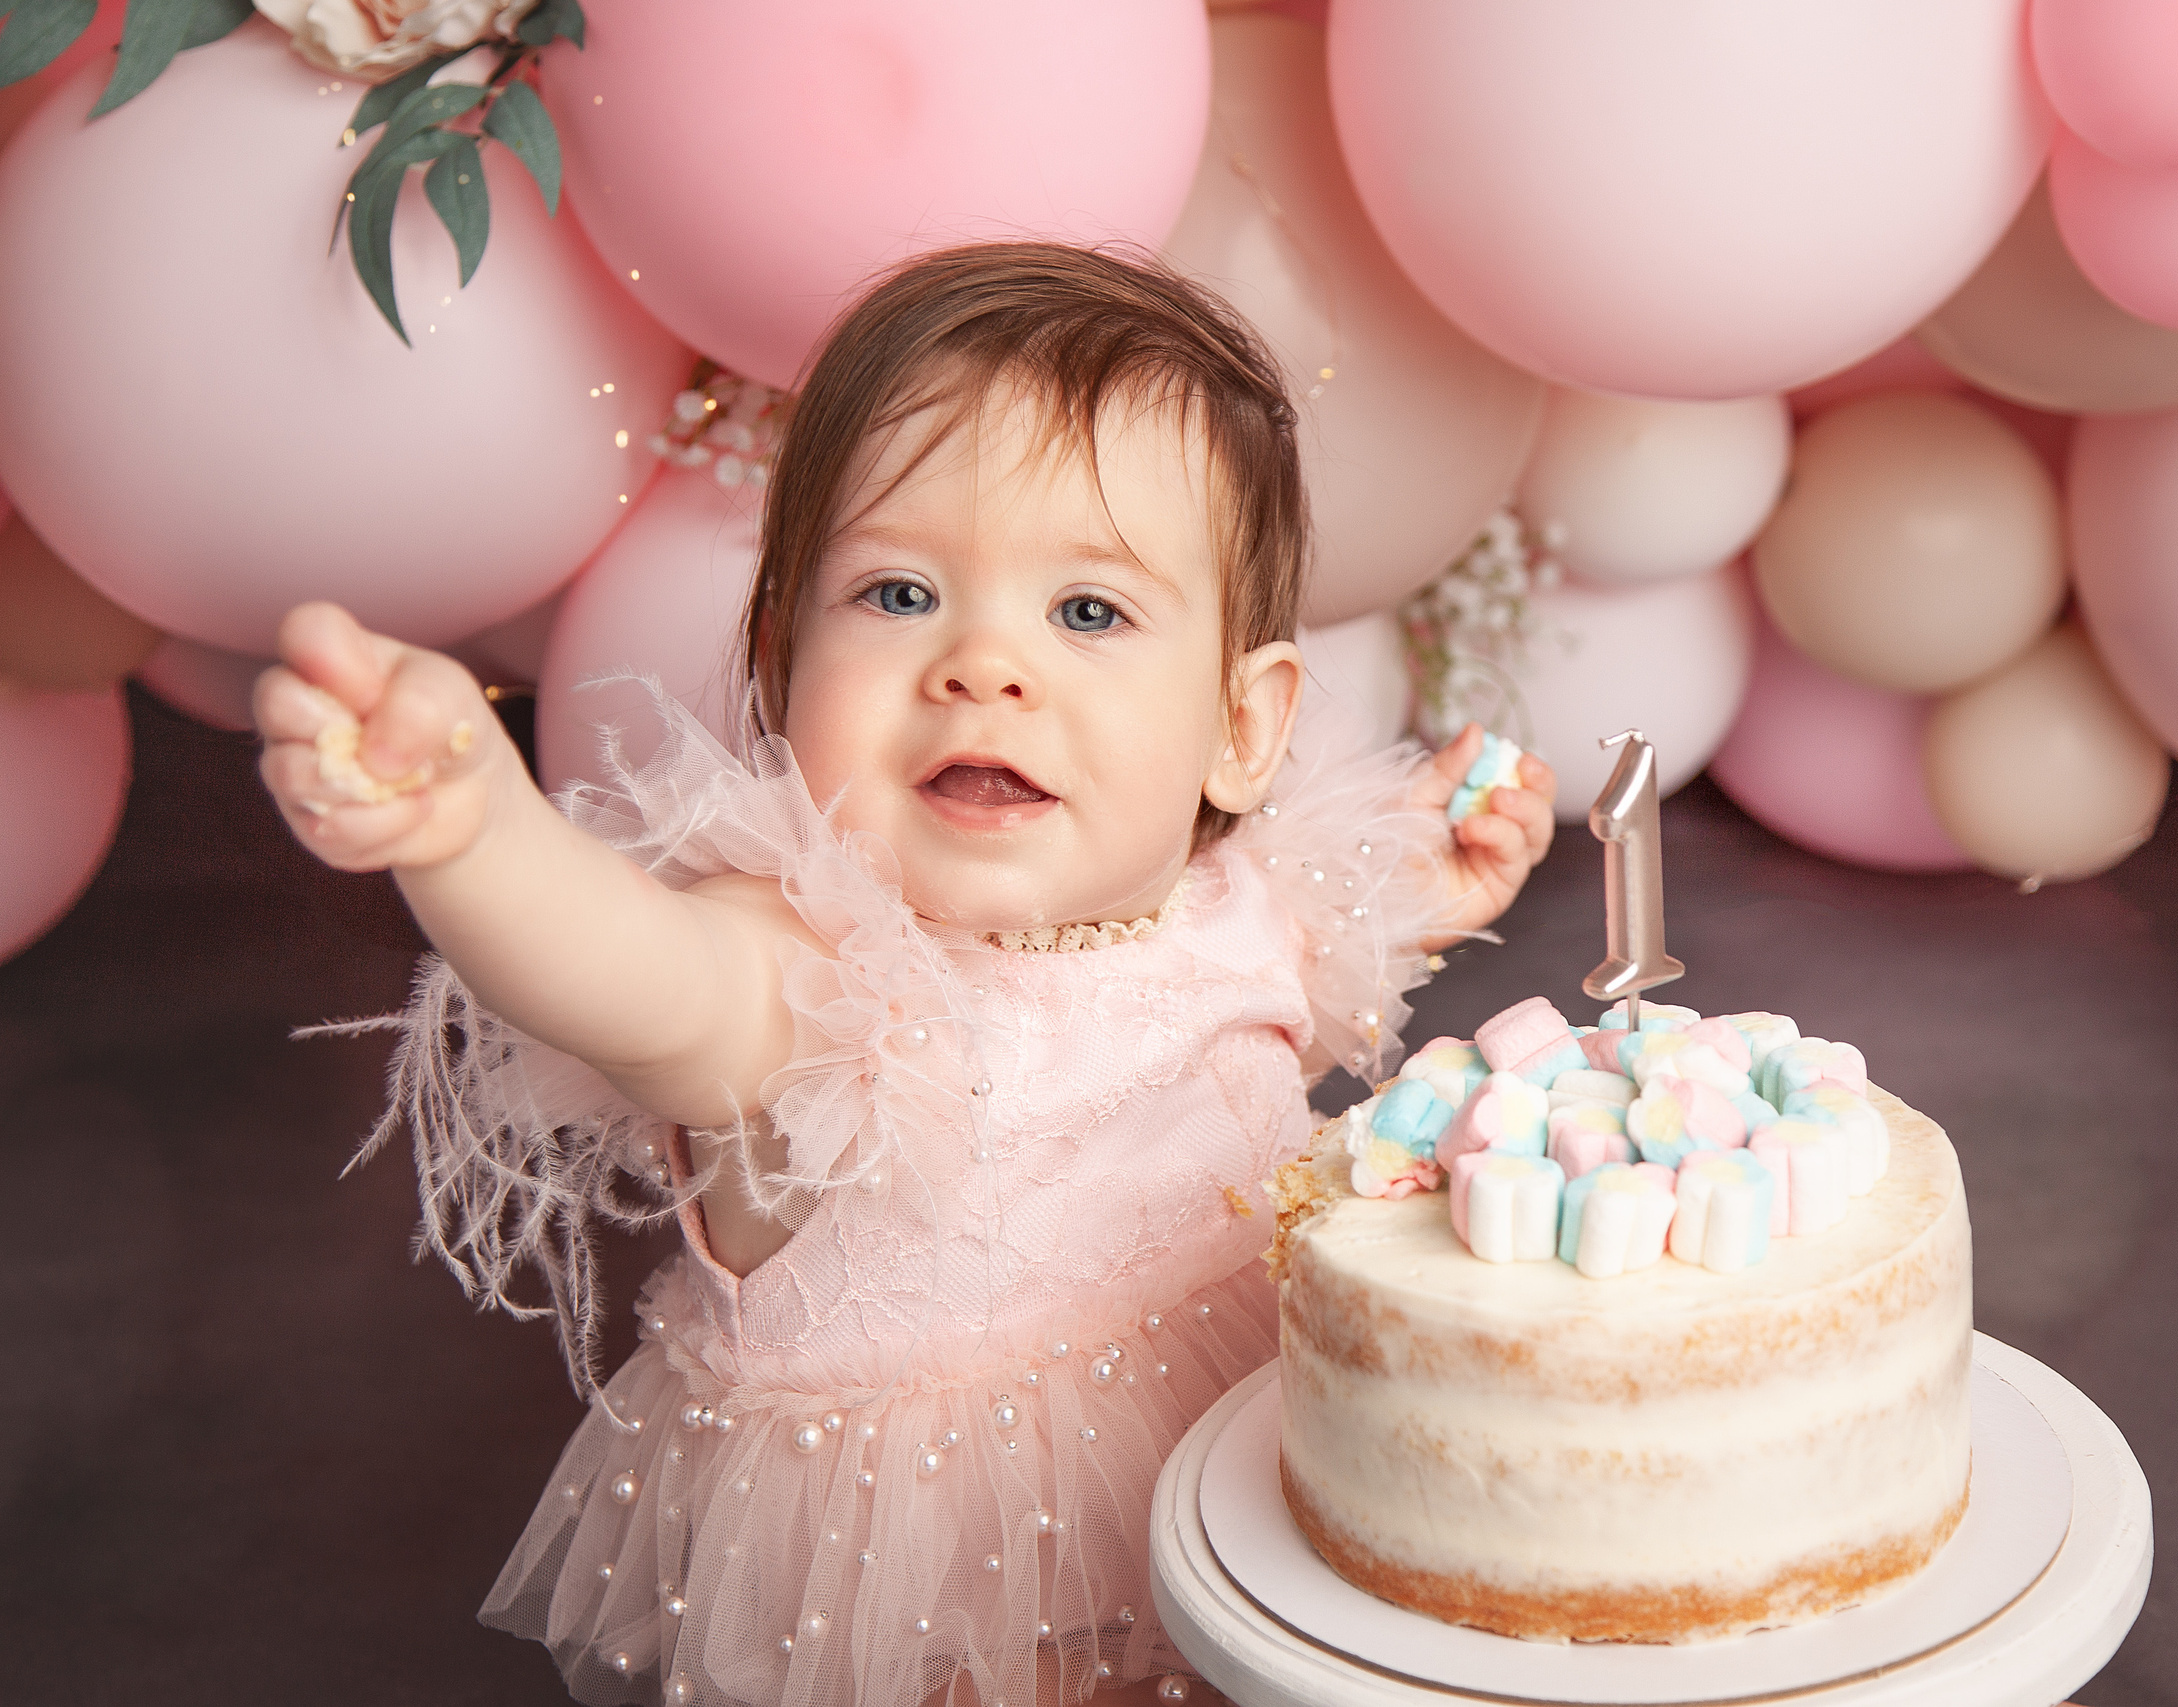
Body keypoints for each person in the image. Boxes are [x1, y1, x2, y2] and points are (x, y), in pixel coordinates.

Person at [253, 242, 1556, 1707]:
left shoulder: (1234, 908)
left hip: (1263, 1486)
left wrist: (1423, 893)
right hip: (956, 1618)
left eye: (1088, 613)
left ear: (1239, 731)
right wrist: (476, 831)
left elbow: (1274, 979)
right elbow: (624, 969)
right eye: (897, 594)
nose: (984, 665)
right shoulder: (803, 984)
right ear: (776, 655)